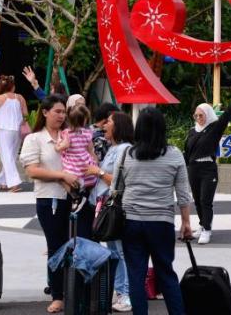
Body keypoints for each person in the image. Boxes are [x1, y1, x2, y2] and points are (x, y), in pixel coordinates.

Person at [20, 94, 93, 314]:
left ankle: (80, 293)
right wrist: (62, 176)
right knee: (56, 246)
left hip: (79, 198)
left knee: (82, 246)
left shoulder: (72, 134)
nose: (62, 115)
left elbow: (89, 156)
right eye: (57, 111)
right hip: (51, 198)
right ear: (44, 112)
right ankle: (58, 295)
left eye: (64, 111)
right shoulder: (35, 139)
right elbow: (31, 170)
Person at [120, 106, 193, 315]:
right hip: (161, 222)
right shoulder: (174, 154)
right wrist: (186, 223)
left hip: (131, 221)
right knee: (166, 274)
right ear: (162, 128)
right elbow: (183, 194)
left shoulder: (127, 154)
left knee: (136, 275)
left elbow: (117, 188)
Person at [85, 111, 134, 313]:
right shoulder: (114, 148)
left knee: (121, 252)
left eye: (109, 122)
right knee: (114, 251)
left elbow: (119, 180)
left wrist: (98, 171)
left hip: (116, 207)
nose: (104, 125)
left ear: (119, 127)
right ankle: (120, 290)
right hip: (107, 205)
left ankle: (126, 294)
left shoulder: (124, 149)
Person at [185, 90, 231, 244]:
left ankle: (207, 229)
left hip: (208, 169)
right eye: (196, 115)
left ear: (208, 114)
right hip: (193, 169)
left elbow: (225, 117)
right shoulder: (192, 131)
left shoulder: (214, 128)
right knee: (197, 201)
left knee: (205, 200)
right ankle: (201, 224)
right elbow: (187, 151)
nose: (199, 118)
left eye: (202, 115)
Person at [0, 75, 27, 192]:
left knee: (6, 156)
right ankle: (3, 181)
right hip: (17, 129)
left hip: (4, 129)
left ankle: (14, 183)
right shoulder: (20, 98)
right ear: (13, 87)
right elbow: (25, 115)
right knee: (11, 156)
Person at [54, 104, 97, 196]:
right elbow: (90, 150)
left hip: (73, 166)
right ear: (84, 120)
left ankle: (74, 195)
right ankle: (85, 192)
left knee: (60, 177)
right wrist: (95, 162)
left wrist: (57, 146)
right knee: (87, 182)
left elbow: (64, 146)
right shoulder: (87, 133)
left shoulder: (67, 133)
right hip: (85, 163)